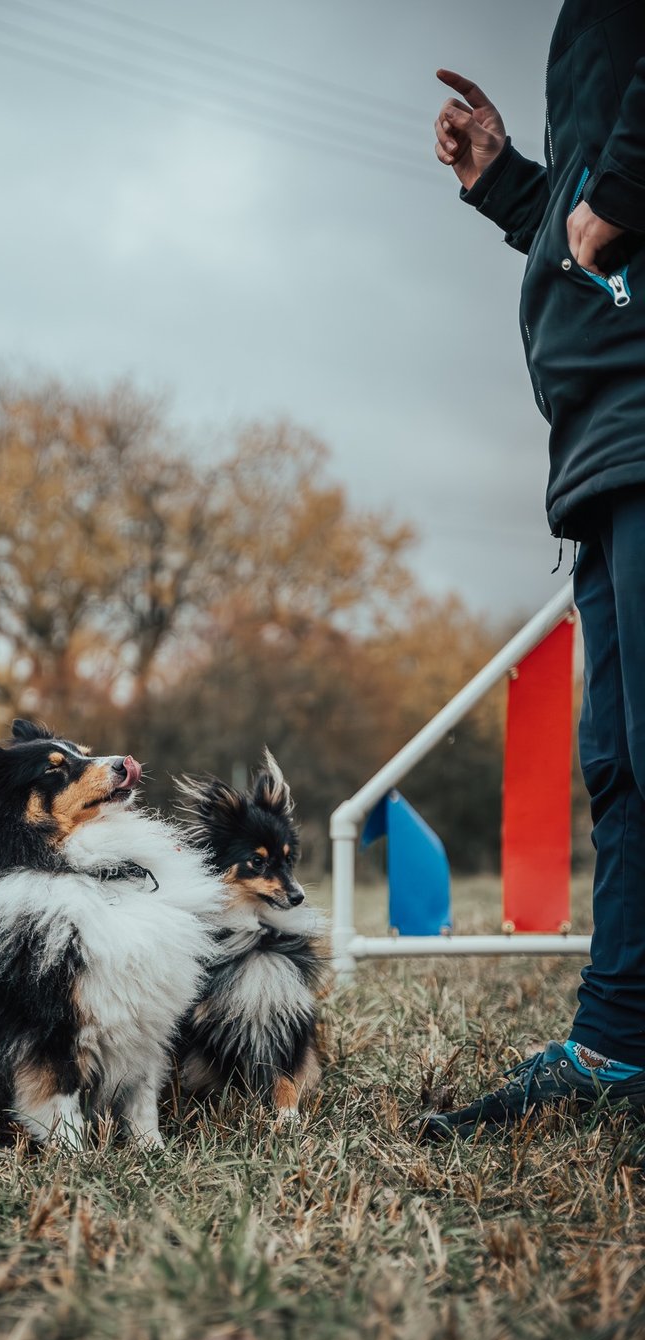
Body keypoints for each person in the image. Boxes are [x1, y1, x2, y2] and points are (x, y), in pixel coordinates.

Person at [420, 3, 645, 1137]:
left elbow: (612, 205)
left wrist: (609, 210)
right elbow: (587, 213)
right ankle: (617, 1045)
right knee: (617, 763)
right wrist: (515, 185)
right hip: (602, 426)